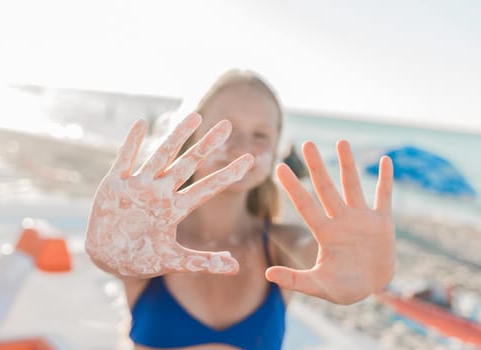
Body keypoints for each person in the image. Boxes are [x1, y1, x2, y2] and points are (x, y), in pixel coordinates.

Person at [84, 69, 395, 350]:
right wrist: (106, 252)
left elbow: (327, 256)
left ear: (276, 151)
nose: (243, 145)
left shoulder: (284, 246)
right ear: (193, 136)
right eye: (226, 129)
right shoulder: (148, 243)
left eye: (260, 135)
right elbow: (118, 255)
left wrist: (361, 268)